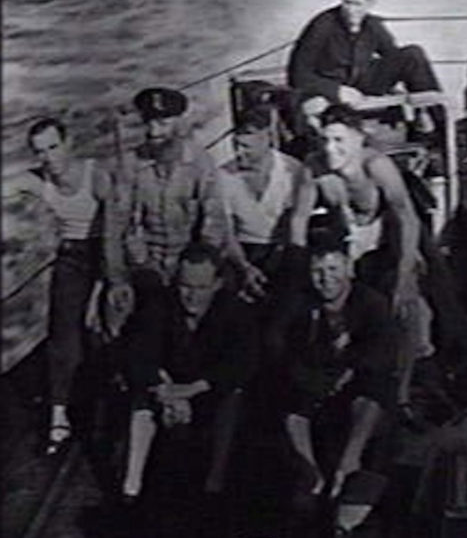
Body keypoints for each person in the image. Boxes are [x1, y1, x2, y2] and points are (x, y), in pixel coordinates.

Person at [289, 104, 437, 416]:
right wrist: (299, 268)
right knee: (336, 307)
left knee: (407, 308)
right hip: (347, 246)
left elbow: (406, 217)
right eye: (326, 140)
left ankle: (403, 392)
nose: (331, 149)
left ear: (358, 140)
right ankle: (342, 379)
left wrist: (404, 271)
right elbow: (299, 220)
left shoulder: (377, 166)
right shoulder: (314, 169)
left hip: (386, 242)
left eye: (340, 141)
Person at [7, 117, 124, 454]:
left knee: (104, 326)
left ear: (68, 144)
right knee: (63, 336)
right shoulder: (39, 180)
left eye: (53, 147)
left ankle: (112, 402)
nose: (48, 158)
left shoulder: (96, 177)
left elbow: (115, 235)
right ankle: (59, 415)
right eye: (40, 151)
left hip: (107, 253)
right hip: (70, 259)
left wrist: (106, 283)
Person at [120, 242, 258, 500]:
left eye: (201, 288)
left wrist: (194, 389)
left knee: (234, 397)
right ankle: (132, 483)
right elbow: (138, 352)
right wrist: (164, 389)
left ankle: (215, 481)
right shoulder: (159, 305)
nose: (192, 296)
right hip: (166, 388)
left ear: (217, 284)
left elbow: (242, 363)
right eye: (185, 287)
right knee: (139, 398)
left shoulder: (235, 311)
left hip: (208, 390)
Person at [269, 237, 397, 506]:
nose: (326, 279)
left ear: (348, 269)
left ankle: (349, 462)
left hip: (355, 381)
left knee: (371, 395)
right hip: (313, 380)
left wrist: (349, 368)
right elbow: (279, 344)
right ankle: (310, 472)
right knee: (290, 402)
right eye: (318, 272)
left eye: (333, 270)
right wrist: (308, 375)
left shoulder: (371, 303)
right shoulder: (299, 303)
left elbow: (380, 351)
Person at [287, 0, 441, 127]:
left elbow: (393, 58)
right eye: (347, 3)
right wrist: (336, 90)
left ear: (370, 4)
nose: (351, 10)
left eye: (357, 4)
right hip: (330, 87)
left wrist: (414, 99)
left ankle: (440, 127)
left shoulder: (372, 25)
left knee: (413, 55)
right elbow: (297, 74)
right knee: (313, 105)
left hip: (362, 84)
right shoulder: (322, 25)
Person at [117, 87, 228, 299]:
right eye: (148, 123)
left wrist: (195, 270)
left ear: (180, 125)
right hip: (146, 266)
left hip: (190, 266)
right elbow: (126, 223)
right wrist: (143, 266)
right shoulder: (131, 164)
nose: (153, 132)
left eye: (162, 124)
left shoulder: (200, 162)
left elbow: (214, 222)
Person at [218, 105, 303, 304]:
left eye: (247, 147)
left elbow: (297, 223)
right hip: (243, 252)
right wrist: (244, 267)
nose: (239, 153)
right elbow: (227, 232)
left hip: (284, 250)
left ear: (266, 139)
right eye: (236, 145)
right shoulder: (223, 176)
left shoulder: (292, 170)